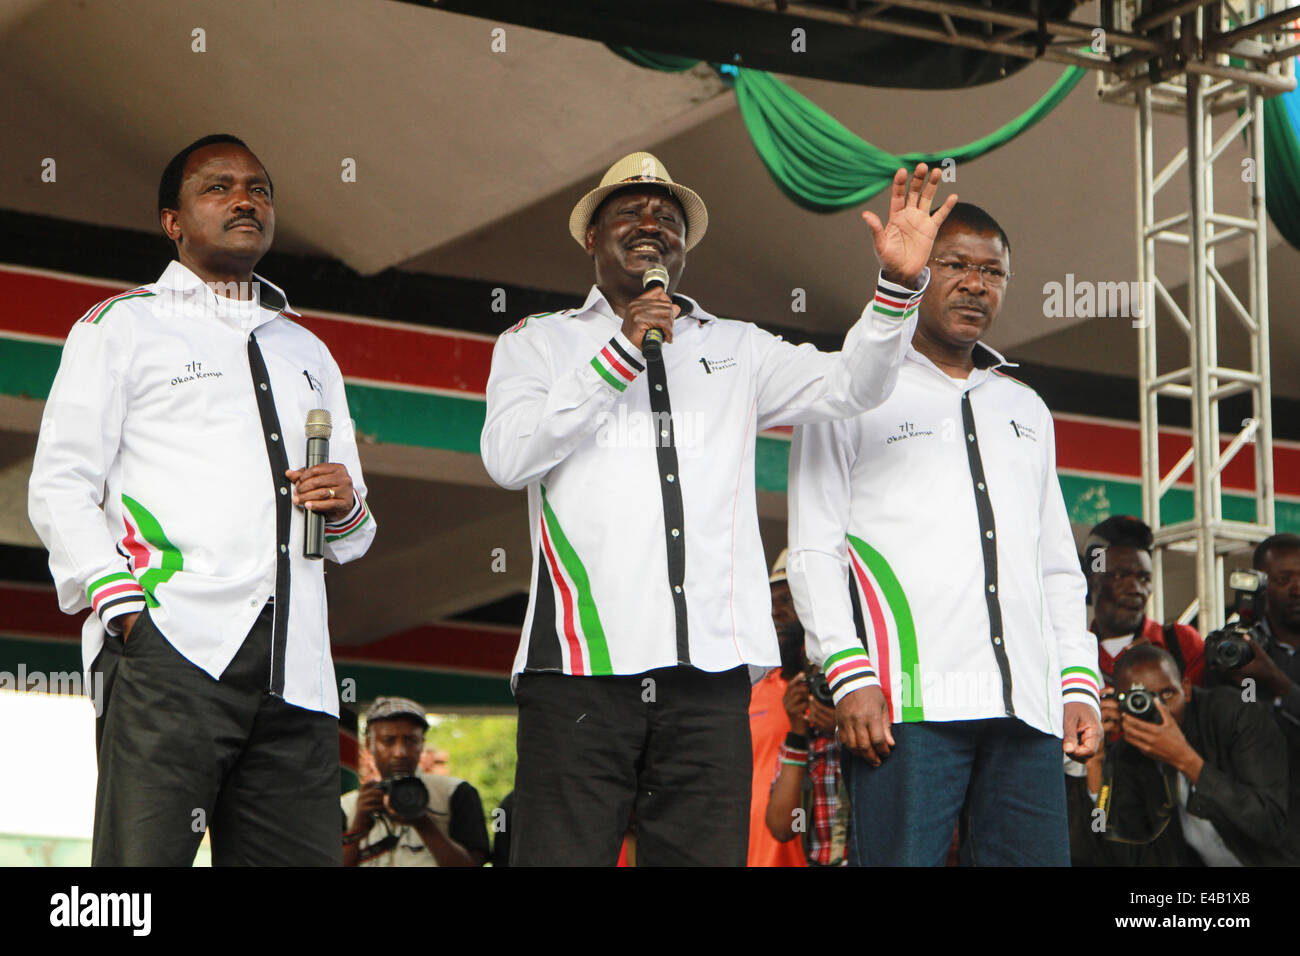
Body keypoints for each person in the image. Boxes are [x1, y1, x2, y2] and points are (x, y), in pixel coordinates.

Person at [481, 151, 956, 865]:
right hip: (579, 673)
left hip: (708, 682)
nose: (652, 226)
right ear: (590, 238)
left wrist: (897, 285)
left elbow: (852, 387)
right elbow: (509, 457)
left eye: (667, 218)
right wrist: (621, 350)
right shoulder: (538, 344)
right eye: (631, 213)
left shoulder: (738, 349)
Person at [27, 134, 376, 866]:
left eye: (259, 189)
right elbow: (61, 481)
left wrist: (343, 501)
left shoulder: (308, 351)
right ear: (172, 222)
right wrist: (123, 609)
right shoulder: (122, 327)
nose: (245, 200)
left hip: (298, 671)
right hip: (171, 648)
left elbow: (355, 532)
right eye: (218, 187)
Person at [787, 203, 1102, 866]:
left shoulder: (1025, 408)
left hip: (1026, 709)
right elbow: (814, 547)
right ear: (919, 270)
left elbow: (1055, 567)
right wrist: (847, 674)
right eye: (955, 264)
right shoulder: (846, 390)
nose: (975, 284)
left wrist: (1078, 681)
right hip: (906, 707)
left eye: (993, 272)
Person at [1088, 644, 1293, 865]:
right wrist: (1095, 764)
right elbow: (1124, 855)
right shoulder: (1127, 754)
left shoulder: (1233, 714)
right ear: (1119, 704)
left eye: (1166, 694)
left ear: (1185, 689)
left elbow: (1270, 824)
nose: (1159, 710)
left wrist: (1185, 760)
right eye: (1140, 700)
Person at [341, 697, 490, 867]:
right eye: (388, 741)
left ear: (422, 744)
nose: (400, 752)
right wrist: (357, 825)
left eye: (411, 741)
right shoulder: (347, 806)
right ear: (369, 744)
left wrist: (421, 821)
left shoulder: (456, 793)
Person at [1083, 515, 1205, 685]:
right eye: (1120, 576)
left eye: (1144, 578)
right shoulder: (1074, 654)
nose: (1135, 589)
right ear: (1091, 581)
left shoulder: (1182, 644)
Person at [747, 549, 807, 867]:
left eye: (789, 600)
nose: (776, 612)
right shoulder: (751, 693)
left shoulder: (838, 695)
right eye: (771, 602)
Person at [764, 660, 848, 866]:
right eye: (821, 684)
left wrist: (845, 729)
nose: (827, 692)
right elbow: (787, 828)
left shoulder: (874, 731)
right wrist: (798, 732)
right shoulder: (803, 746)